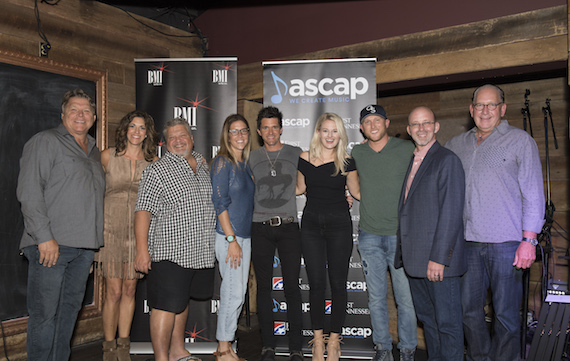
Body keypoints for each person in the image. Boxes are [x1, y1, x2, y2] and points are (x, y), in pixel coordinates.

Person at [446, 84, 545, 361]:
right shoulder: (456, 144)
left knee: (506, 316)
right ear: (471, 109)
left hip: (508, 244)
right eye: (479, 105)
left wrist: (529, 240)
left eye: (492, 105)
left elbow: (533, 193)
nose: (485, 110)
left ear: (503, 109)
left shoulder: (520, 141)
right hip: (467, 243)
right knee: (469, 311)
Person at [17, 89, 105, 361]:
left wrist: (91, 249)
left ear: (94, 117)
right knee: (45, 316)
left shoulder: (93, 151)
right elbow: (29, 192)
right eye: (74, 110)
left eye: (86, 111)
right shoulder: (45, 141)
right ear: (63, 115)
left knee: (68, 314)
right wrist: (44, 237)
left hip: (82, 250)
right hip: (51, 246)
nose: (81, 115)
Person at [134, 117, 216, 361]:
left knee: (181, 302)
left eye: (183, 136)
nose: (179, 141)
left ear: (191, 139)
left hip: (199, 252)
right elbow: (142, 211)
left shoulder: (203, 165)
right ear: (165, 143)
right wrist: (141, 250)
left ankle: (178, 351)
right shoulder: (156, 170)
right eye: (173, 138)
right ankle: (161, 357)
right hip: (169, 252)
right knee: (164, 306)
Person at [394, 106, 466, 361]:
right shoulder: (413, 161)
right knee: (430, 323)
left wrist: (439, 258)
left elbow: (451, 213)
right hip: (416, 262)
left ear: (436, 127)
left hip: (438, 264)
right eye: (416, 124)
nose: (421, 128)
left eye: (426, 123)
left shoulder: (447, 160)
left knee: (448, 326)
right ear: (408, 130)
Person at [351, 104, 417, 361]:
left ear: (387, 123)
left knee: (406, 300)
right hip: (369, 236)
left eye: (378, 120)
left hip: (401, 237)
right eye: (368, 122)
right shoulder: (357, 152)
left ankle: (408, 349)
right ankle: (383, 348)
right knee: (376, 299)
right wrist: (355, 196)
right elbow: (354, 185)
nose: (373, 125)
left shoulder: (407, 149)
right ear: (361, 128)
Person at [296, 113, 359, 361]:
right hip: (310, 225)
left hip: (339, 227)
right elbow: (299, 188)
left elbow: (357, 192)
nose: (330, 136)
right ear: (318, 132)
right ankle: (318, 340)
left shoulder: (347, 161)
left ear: (340, 134)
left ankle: (334, 341)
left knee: (338, 283)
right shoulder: (303, 158)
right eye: (325, 130)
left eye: (335, 131)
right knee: (316, 284)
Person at [96, 110, 158, 361]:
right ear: (125, 129)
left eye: (142, 128)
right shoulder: (107, 156)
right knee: (113, 292)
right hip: (110, 231)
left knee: (130, 291)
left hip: (138, 236)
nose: (136, 131)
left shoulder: (152, 162)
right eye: (133, 126)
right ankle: (108, 347)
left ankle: (124, 345)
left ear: (147, 133)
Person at [248, 106, 304, 361]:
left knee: (292, 287)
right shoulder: (251, 157)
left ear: (281, 129)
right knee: (264, 289)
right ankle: (267, 345)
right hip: (260, 228)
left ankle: (296, 348)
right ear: (260, 131)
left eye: (275, 127)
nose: (271, 131)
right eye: (265, 127)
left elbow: (309, 181)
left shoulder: (295, 153)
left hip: (289, 226)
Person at [210, 114, 255, 361]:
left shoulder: (244, 164)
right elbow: (220, 203)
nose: (239, 135)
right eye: (234, 131)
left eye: (243, 131)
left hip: (244, 237)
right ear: (227, 136)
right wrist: (231, 240)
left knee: (237, 292)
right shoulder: (222, 162)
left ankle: (228, 346)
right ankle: (223, 350)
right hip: (229, 237)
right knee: (232, 293)